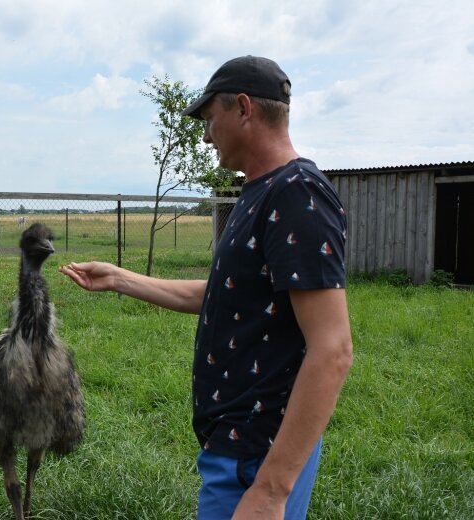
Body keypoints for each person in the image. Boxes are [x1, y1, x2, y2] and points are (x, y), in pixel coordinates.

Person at [59, 56, 353, 519]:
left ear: (242, 108)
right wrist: (119, 278)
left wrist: (272, 489)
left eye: (210, 119)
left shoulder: (296, 193)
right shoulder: (259, 190)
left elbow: (333, 349)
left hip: (257, 454)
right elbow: (225, 295)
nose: (205, 135)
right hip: (237, 450)